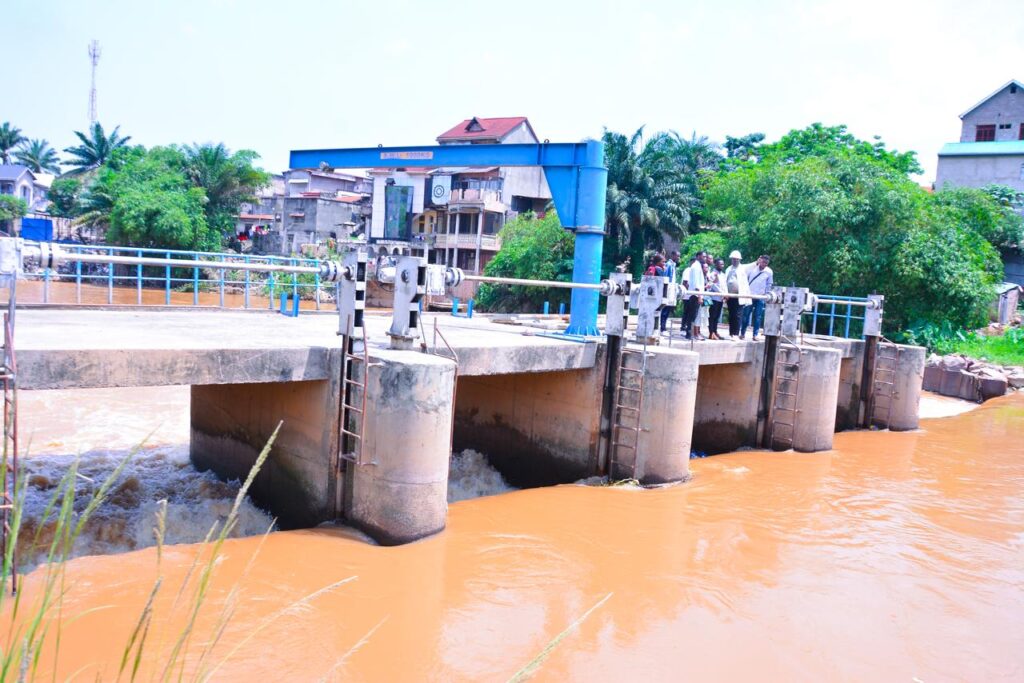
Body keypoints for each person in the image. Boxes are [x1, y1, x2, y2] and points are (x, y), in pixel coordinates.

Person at [741, 254, 774, 340]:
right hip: (750, 295)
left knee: (758, 316)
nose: (764, 264)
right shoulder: (752, 269)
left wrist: (766, 295)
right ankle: (742, 333)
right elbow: (745, 279)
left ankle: (755, 335)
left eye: (766, 263)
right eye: (763, 262)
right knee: (746, 315)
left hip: (760, 297)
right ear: (760, 261)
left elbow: (769, 284)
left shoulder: (769, 271)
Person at [725, 250, 751, 340]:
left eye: (736, 259)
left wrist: (757, 262)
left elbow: (751, 265)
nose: (734, 261)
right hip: (729, 296)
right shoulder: (728, 268)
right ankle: (731, 333)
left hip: (739, 296)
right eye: (733, 259)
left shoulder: (743, 268)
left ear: (739, 260)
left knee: (738, 315)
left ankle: (736, 333)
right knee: (731, 314)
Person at [680, 251, 705, 340]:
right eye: (703, 256)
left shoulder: (697, 266)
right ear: (698, 256)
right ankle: (689, 333)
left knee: (693, 315)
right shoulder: (695, 267)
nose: (704, 258)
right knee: (692, 315)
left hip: (696, 294)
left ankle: (689, 333)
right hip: (695, 295)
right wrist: (699, 296)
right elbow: (696, 283)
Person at [660, 251, 680, 333]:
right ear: (672, 255)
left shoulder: (673, 265)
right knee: (665, 309)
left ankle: (663, 327)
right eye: (677, 256)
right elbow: (665, 277)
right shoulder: (669, 265)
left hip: (671, 289)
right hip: (667, 289)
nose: (678, 258)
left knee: (668, 309)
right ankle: (662, 327)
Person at [707, 258, 725, 340]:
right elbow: (713, 285)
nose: (722, 266)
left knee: (717, 316)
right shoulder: (712, 274)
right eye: (720, 264)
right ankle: (711, 332)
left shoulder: (723, 274)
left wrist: (726, 294)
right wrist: (722, 293)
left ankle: (715, 331)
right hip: (714, 298)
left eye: (722, 264)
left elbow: (724, 285)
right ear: (716, 264)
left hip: (720, 299)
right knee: (712, 316)